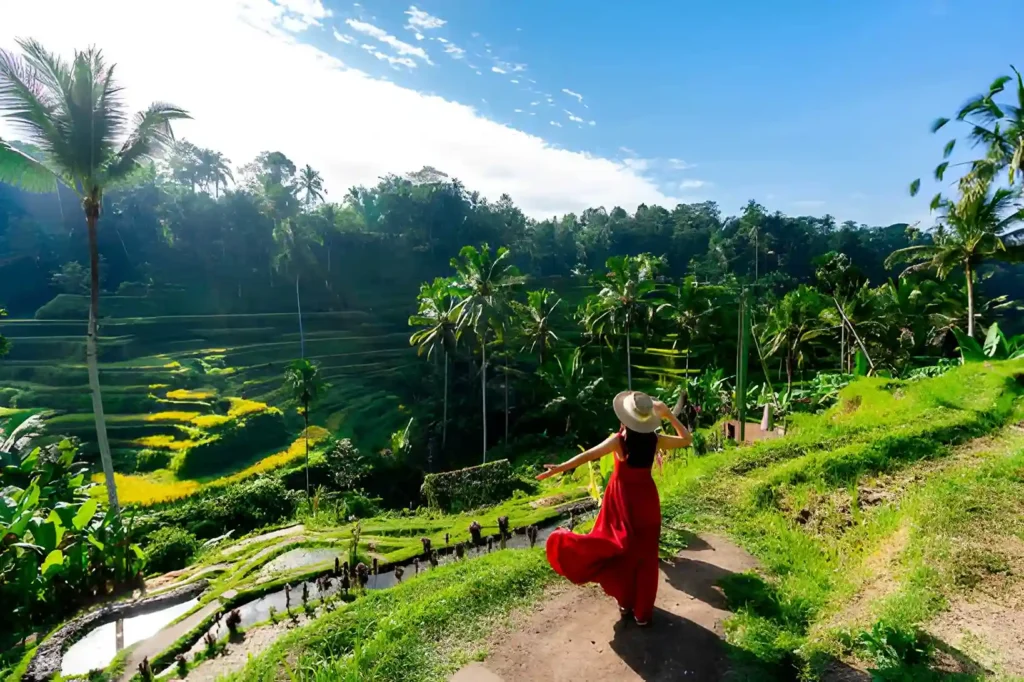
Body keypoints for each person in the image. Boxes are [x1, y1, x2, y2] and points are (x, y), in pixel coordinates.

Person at [536, 390, 692, 627]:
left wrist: (558, 469)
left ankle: (627, 602)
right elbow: (687, 439)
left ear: (625, 418)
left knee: (622, 552)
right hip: (647, 503)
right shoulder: (655, 440)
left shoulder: (619, 441)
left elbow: (586, 456)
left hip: (623, 504)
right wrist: (669, 414)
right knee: (647, 558)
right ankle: (643, 614)